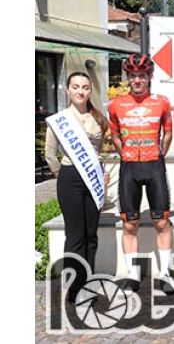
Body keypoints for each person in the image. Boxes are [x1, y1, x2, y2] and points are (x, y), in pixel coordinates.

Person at [108, 54, 174, 294]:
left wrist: (159, 153)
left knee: (161, 222)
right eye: (133, 76)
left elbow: (168, 133)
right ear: (128, 78)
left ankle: (165, 273)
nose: (137, 80)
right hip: (129, 168)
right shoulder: (116, 104)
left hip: (154, 166)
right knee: (129, 224)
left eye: (142, 76)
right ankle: (133, 276)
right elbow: (115, 135)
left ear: (150, 77)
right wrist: (126, 153)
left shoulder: (162, 102)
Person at [44, 72, 110, 302]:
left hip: (93, 178)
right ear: (67, 89)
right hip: (70, 177)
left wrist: (102, 173)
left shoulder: (98, 118)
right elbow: (50, 154)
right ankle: (74, 288)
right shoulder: (60, 120)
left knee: (91, 235)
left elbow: (99, 151)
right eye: (75, 87)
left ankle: (88, 284)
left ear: (90, 91)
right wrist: (62, 173)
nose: (80, 91)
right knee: (75, 236)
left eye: (85, 87)